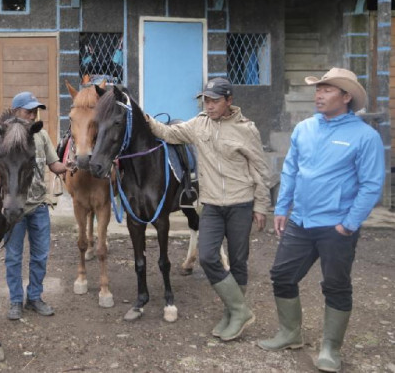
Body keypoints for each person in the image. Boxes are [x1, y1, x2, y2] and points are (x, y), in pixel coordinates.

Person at [258, 68, 384, 372]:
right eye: (318, 89)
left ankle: (330, 348)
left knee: (336, 285)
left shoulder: (365, 136)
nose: (319, 95)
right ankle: (290, 333)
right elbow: (290, 170)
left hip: (336, 227)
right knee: (282, 275)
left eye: (327, 90)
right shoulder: (304, 128)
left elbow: (371, 185)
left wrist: (349, 224)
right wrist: (281, 208)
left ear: (346, 96)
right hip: (300, 221)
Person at [146, 77, 271, 341]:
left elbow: (260, 168)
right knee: (207, 257)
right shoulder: (198, 124)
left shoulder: (246, 129)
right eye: (206, 100)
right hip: (212, 204)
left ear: (229, 101)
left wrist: (261, 205)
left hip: (240, 203)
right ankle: (241, 311)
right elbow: (169, 133)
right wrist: (145, 119)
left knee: (238, 261)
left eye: (215, 101)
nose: (209, 105)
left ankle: (232, 313)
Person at [5, 92, 68, 320]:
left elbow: (54, 164)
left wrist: (71, 164)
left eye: (35, 112)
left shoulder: (41, 135)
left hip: (39, 205)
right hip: (15, 209)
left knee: (40, 255)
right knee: (13, 257)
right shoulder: (7, 136)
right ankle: (15, 301)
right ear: (15, 111)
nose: (32, 116)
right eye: (28, 111)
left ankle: (34, 297)